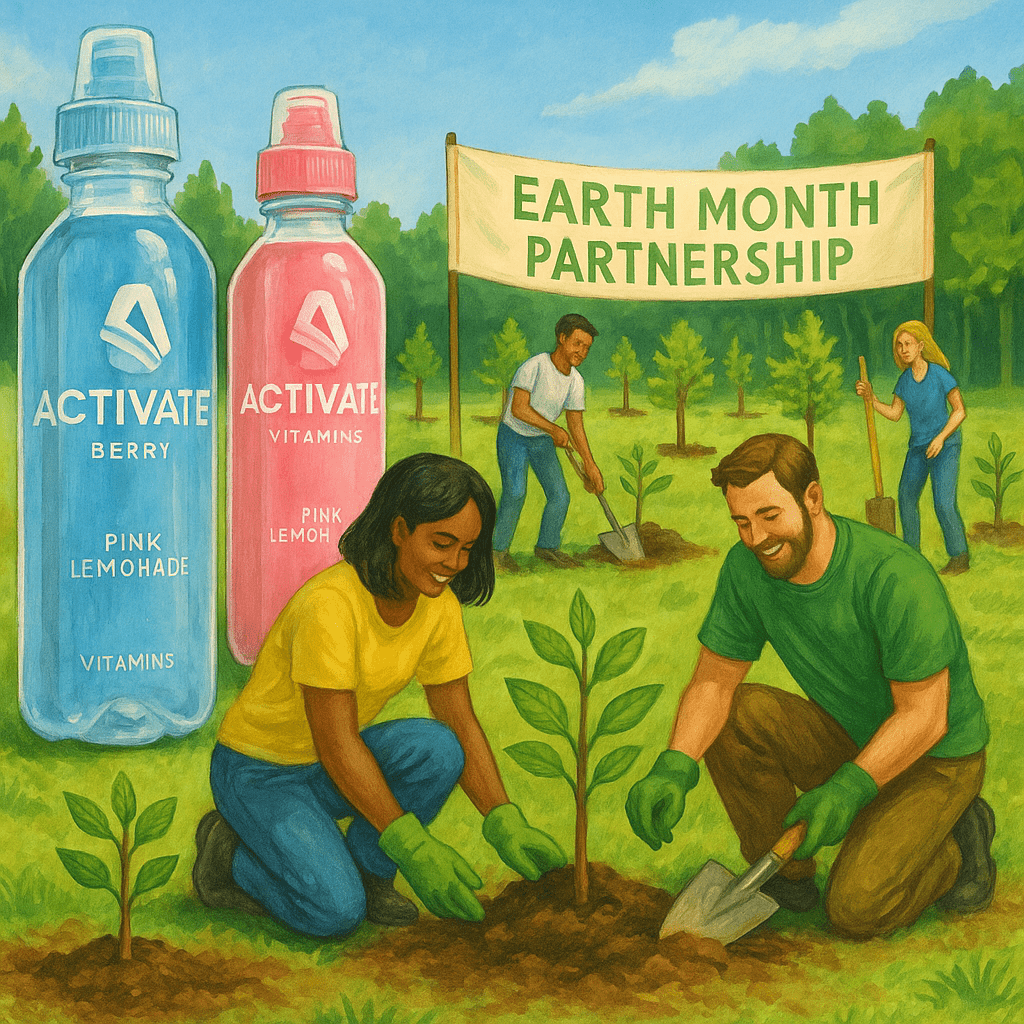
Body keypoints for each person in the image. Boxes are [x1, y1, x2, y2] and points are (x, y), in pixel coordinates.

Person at [625, 433, 994, 940]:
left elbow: (925, 716)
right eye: (741, 521)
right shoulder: (747, 568)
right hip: (850, 737)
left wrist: (849, 787)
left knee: (856, 910)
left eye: (769, 515)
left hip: (936, 757)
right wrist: (675, 765)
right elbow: (713, 681)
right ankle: (786, 880)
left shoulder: (893, 575)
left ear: (813, 498)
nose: (755, 537)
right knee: (735, 712)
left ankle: (955, 848)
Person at [193, 453, 565, 938]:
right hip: (259, 772)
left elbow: (459, 721)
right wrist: (414, 845)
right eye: (441, 543)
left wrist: (502, 818)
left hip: (325, 771)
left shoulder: (438, 608)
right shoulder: (330, 606)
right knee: (333, 913)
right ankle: (230, 855)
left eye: (467, 548)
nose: (454, 563)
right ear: (398, 530)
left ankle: (372, 873)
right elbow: (337, 743)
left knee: (438, 747)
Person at [492, 313, 604, 571]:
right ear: (562, 338)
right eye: (577, 343)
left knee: (560, 495)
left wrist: (590, 465)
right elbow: (519, 408)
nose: (582, 352)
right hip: (513, 435)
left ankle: (547, 547)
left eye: (587, 347)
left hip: (541, 440)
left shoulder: (576, 381)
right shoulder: (535, 366)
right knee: (516, 492)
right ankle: (497, 553)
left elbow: (576, 424)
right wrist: (553, 429)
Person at [855, 320, 969, 575]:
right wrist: (871, 398)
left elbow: (960, 411)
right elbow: (895, 413)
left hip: (946, 445)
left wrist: (940, 438)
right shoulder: (904, 381)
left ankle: (959, 557)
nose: (903, 349)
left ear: (920, 346)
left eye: (908, 344)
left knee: (944, 503)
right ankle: (912, 556)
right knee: (906, 499)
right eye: (899, 345)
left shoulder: (939, 374)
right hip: (918, 448)